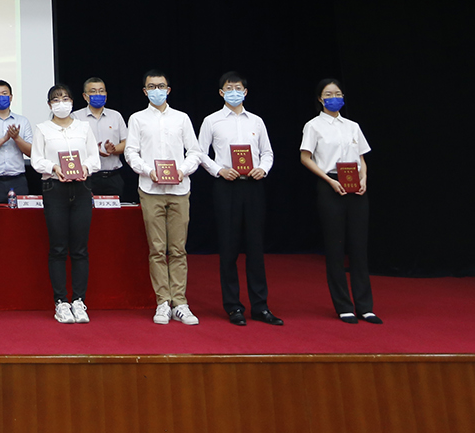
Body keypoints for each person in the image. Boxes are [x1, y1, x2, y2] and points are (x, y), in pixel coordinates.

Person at [198, 71, 281, 326]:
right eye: (229, 88)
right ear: (221, 92)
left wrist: (263, 168)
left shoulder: (256, 121)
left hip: (253, 186)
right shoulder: (212, 121)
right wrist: (219, 170)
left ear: (245, 92)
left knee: (255, 247)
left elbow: (267, 153)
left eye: (238, 88)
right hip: (226, 186)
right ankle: (233, 306)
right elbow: (200, 153)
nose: (234, 92)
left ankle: (260, 306)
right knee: (229, 247)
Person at [125, 69, 205, 325]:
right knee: (157, 249)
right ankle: (163, 302)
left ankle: (180, 302)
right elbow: (131, 152)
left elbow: (195, 151)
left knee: (178, 249)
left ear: (168, 90)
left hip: (179, 190)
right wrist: (148, 171)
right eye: (151, 86)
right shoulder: (137, 119)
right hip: (151, 190)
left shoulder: (181, 118)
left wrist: (183, 170)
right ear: (145, 91)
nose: (156, 90)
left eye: (161, 86)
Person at [300, 78, 380, 324]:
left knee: (359, 247)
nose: (333, 97)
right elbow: (305, 157)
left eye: (337, 93)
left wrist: (364, 179)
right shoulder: (313, 126)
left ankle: (365, 306)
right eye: (328, 94)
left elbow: (362, 157)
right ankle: (344, 305)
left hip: (356, 185)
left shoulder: (352, 126)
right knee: (335, 247)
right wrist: (329, 180)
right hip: (331, 183)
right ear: (320, 99)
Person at [33, 83, 101, 323]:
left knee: (80, 249)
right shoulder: (42, 129)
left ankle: (79, 301)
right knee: (58, 248)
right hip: (54, 188)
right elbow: (36, 160)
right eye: (56, 99)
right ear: (49, 104)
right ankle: (61, 302)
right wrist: (53, 167)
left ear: (72, 102)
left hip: (81, 188)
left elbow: (94, 158)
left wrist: (86, 168)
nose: (61, 103)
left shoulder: (83, 127)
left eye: (65, 98)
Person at [72, 77, 127, 197]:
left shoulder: (116, 116)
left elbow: (126, 143)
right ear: (85, 96)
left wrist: (113, 150)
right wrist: (92, 150)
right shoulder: (76, 117)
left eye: (101, 91)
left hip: (113, 177)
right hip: (87, 176)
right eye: (93, 91)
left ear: (106, 95)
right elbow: (71, 146)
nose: (98, 94)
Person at [0, 79, 33, 203]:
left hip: (18, 180)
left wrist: (16, 138)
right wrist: (4, 139)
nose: (1, 97)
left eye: (4, 94)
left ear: (11, 97)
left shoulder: (22, 121)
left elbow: (31, 152)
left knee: (19, 214)